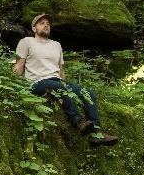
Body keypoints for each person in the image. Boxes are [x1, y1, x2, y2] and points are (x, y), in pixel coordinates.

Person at [14, 15, 118, 146]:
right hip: (37, 83)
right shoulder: (26, 42)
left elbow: (60, 70)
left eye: (48, 23)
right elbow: (19, 65)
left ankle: (96, 133)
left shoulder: (56, 45)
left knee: (87, 92)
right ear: (34, 28)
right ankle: (77, 121)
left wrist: (65, 84)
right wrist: (15, 87)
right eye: (41, 23)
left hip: (57, 82)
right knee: (55, 85)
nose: (46, 25)